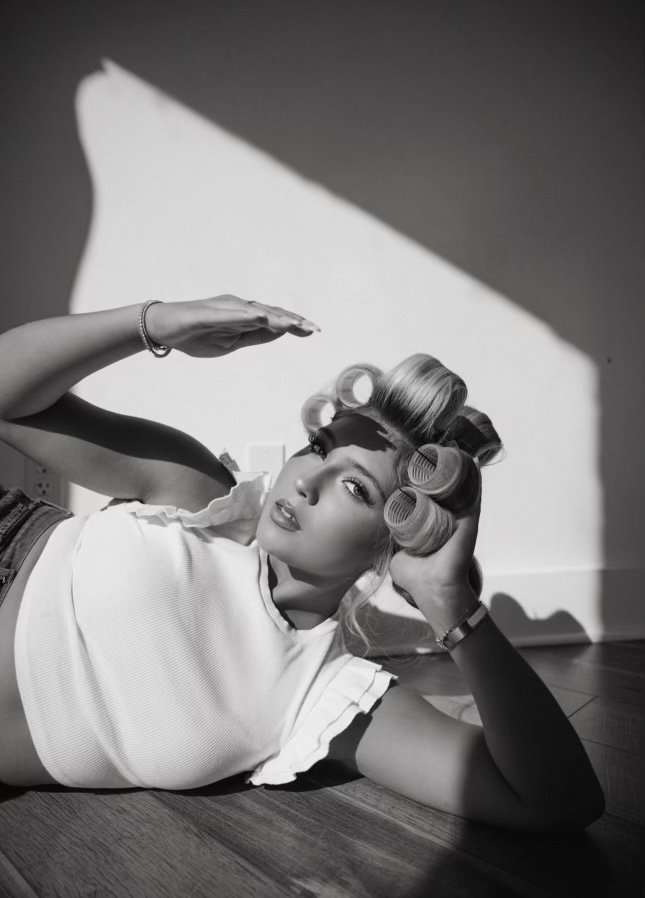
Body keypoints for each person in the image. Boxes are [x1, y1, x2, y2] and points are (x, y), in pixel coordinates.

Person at [0, 295, 604, 833]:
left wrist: (450, 601)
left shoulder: (325, 697)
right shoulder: (200, 495)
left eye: (356, 488)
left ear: (393, 541)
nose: (307, 481)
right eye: (319, 449)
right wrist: (155, 324)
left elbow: (556, 802)